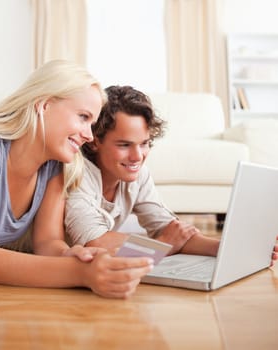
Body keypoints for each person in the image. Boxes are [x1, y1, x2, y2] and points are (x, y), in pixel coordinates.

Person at [0, 62, 154, 299]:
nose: (89, 135)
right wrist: (79, 273)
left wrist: (74, 256)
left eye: (92, 124)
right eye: (83, 117)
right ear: (44, 105)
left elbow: (47, 242)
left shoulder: (55, 165)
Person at [64, 85, 278, 264]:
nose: (137, 156)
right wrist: (162, 245)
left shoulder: (138, 175)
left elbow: (170, 229)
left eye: (144, 143)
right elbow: (97, 243)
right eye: (124, 145)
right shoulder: (77, 173)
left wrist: (228, 249)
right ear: (95, 140)